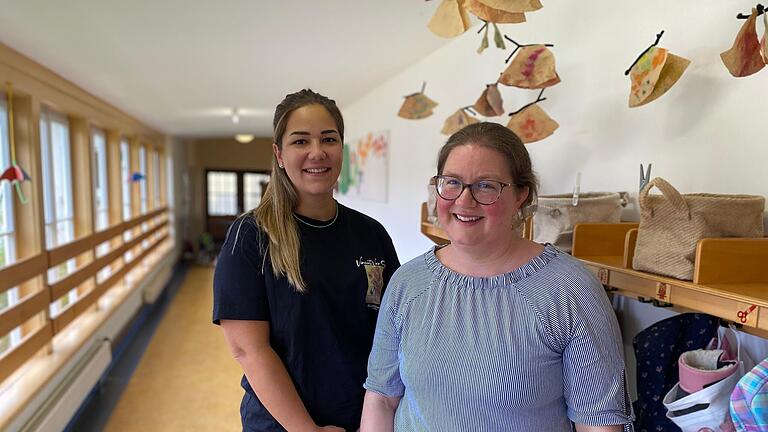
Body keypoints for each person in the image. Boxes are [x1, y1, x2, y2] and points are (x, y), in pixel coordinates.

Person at [361, 122, 634, 432]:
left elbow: (598, 425)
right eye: (452, 182)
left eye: (486, 185)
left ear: (521, 195)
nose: (464, 201)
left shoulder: (570, 290)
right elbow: (382, 397)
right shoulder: (407, 283)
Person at [213, 89, 400, 432]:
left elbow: (392, 332)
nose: (317, 152)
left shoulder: (371, 234)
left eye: (328, 139)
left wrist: (379, 417)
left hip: (366, 417)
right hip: (283, 423)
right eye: (300, 141)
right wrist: (306, 430)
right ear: (279, 154)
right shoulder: (252, 235)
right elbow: (247, 349)